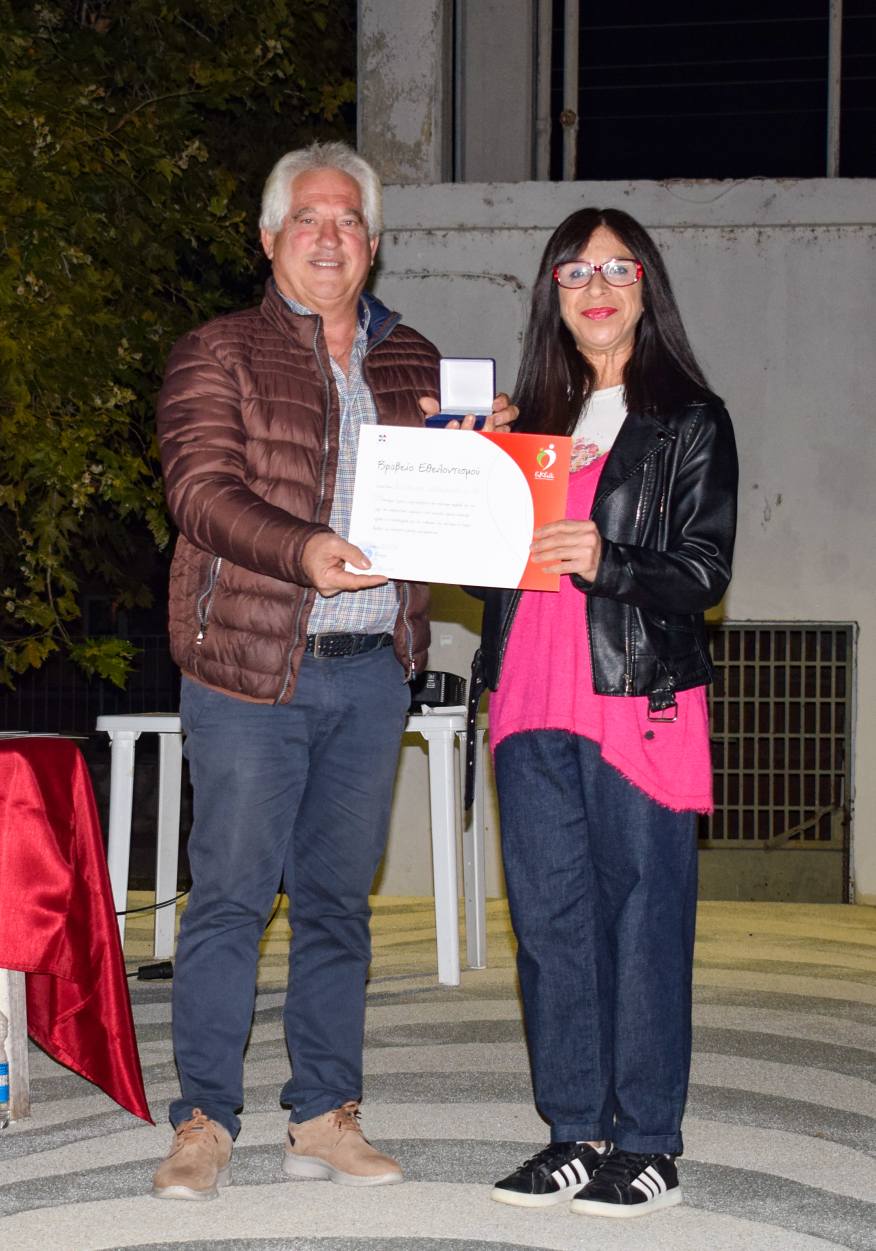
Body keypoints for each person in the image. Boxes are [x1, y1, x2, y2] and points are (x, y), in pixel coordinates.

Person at [152, 140, 513, 1200]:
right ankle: (204, 1121)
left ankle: (324, 1115)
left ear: (373, 242)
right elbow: (199, 490)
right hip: (250, 671)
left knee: (337, 907)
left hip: (370, 675)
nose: (327, 235)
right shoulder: (218, 351)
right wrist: (302, 548)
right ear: (270, 238)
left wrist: (488, 461)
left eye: (347, 219)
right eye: (306, 218)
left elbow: (451, 511)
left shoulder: (415, 360)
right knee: (229, 899)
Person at [470, 208, 738, 1219]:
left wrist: (607, 558)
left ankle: (649, 1142)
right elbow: (481, 565)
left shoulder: (690, 419)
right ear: (553, 292)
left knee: (644, 922)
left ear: (646, 288)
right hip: (529, 699)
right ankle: (575, 1132)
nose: (597, 288)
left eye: (618, 269)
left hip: (635, 700)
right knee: (550, 927)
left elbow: (705, 573)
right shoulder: (527, 423)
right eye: (575, 271)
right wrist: (472, 467)